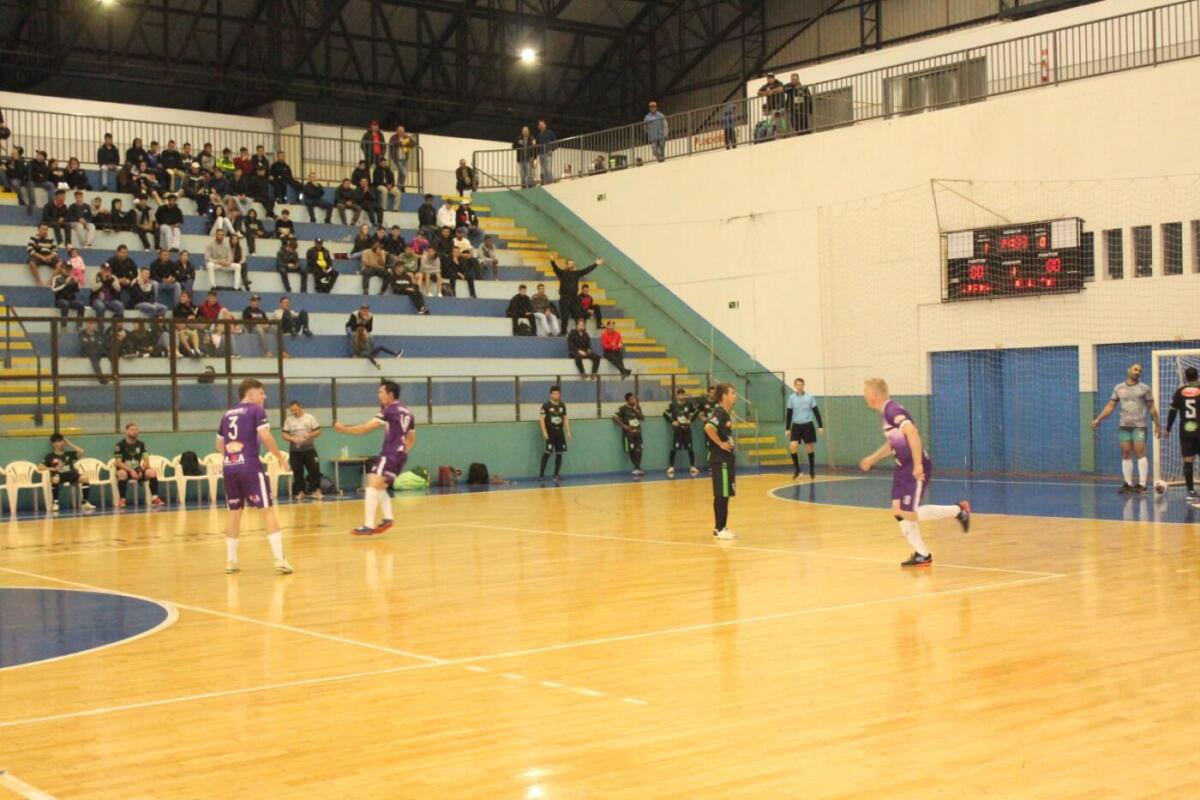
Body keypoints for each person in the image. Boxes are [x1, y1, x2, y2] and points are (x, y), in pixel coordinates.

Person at [859, 378, 971, 567]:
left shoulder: (892, 411)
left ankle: (959, 511)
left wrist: (918, 464)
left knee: (908, 513)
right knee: (898, 510)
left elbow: (912, 432)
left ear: (874, 395)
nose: (864, 395)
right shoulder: (887, 413)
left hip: (913, 466)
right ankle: (922, 554)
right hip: (902, 467)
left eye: (865, 392)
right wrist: (873, 458)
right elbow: (894, 443)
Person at [217, 378, 293, 574]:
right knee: (266, 511)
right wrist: (280, 458)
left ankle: (231, 561)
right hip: (250, 467)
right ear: (250, 394)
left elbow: (219, 444)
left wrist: (232, 458)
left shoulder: (226, 414)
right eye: (261, 392)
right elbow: (266, 436)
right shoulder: (256, 410)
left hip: (230, 468)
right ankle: (280, 560)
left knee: (234, 513)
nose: (264, 396)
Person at [335, 380, 415, 535]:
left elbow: (366, 428)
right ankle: (388, 518)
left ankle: (369, 525)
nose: (379, 395)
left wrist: (344, 429)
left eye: (381, 392)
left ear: (390, 394)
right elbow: (411, 438)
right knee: (378, 485)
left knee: (371, 485)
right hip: (400, 455)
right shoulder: (407, 412)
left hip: (390, 454)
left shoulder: (389, 410)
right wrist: (403, 451)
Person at [1092, 363, 1162, 493]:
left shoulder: (1144, 388)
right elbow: (1110, 406)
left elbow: (1151, 407)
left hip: (1139, 426)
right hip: (1124, 426)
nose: (1137, 372)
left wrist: (1157, 425)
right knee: (1125, 452)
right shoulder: (1118, 388)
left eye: (1139, 370)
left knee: (1140, 452)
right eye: (1135, 369)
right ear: (1129, 370)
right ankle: (1128, 484)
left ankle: (1142, 484)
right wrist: (1098, 419)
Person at [705, 383, 739, 540]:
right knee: (721, 494)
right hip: (720, 459)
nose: (735, 396)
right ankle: (719, 529)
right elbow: (708, 427)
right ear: (724, 396)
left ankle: (721, 526)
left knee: (725, 494)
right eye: (732, 393)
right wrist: (720, 443)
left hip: (726, 459)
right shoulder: (720, 412)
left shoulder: (726, 413)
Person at [1164, 365, 1200, 501]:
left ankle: (1191, 491)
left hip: (1186, 431)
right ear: (1197, 376)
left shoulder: (1179, 391)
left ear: (1185, 377)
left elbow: (1172, 411)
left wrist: (1168, 428)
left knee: (1188, 460)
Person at [39, 434, 95, 513]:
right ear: (53, 444)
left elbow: (81, 451)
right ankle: (55, 503)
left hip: (72, 475)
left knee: (85, 478)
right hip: (60, 477)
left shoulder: (69, 454)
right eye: (57, 442)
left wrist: (69, 444)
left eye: (61, 441)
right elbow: (40, 467)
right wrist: (52, 468)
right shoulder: (50, 456)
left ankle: (85, 502)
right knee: (55, 479)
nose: (59, 444)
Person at [113, 422, 164, 509]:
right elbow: (118, 462)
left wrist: (139, 470)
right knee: (122, 473)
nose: (135, 432)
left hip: (138, 470)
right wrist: (131, 471)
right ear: (126, 431)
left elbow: (146, 461)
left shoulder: (141, 444)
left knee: (151, 472)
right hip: (126, 471)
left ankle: (155, 497)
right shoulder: (119, 445)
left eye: (136, 430)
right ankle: (122, 499)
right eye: (132, 430)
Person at [281, 400, 323, 501]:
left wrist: (309, 435)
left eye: (295, 409)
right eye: (292, 410)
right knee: (297, 471)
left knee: (314, 470)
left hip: (309, 449)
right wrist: (293, 439)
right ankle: (300, 492)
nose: (294, 412)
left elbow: (318, 431)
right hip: (295, 451)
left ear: (300, 407)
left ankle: (316, 491)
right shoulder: (289, 420)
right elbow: (284, 434)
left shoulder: (309, 418)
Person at [551, 256, 602, 334]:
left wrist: (596, 264)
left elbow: (586, 270)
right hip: (565, 298)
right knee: (565, 317)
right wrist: (552, 261)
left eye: (572, 264)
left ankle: (580, 331)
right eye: (569, 264)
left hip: (574, 298)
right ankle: (563, 332)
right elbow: (555, 268)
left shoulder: (576, 273)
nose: (571, 265)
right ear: (566, 265)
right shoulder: (562, 273)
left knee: (578, 315)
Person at [786, 377, 824, 480]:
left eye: (801, 384)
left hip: (808, 425)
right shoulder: (791, 398)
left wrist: (820, 426)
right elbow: (789, 413)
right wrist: (787, 428)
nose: (799, 386)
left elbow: (816, 411)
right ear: (795, 386)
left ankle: (812, 470)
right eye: (797, 385)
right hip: (796, 426)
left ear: (804, 385)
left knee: (809, 448)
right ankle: (797, 470)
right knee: (793, 447)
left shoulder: (810, 397)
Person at [665, 387, 699, 478]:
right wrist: (672, 421)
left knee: (690, 448)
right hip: (678, 430)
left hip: (687, 429)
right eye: (680, 395)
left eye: (683, 394)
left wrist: (690, 420)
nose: (682, 396)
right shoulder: (672, 404)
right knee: (675, 448)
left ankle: (692, 466)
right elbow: (665, 413)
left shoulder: (689, 404)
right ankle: (671, 466)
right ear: (677, 396)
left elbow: (696, 411)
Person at [539, 385, 569, 483]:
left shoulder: (562, 405)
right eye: (554, 393)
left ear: (560, 394)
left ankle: (556, 475)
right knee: (547, 453)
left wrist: (568, 431)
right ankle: (541, 475)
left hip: (560, 433)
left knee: (559, 453)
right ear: (550, 394)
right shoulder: (546, 405)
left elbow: (565, 418)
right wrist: (544, 431)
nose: (556, 395)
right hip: (550, 433)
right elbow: (542, 419)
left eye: (557, 393)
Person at [613, 392, 646, 477]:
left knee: (639, 450)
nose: (633, 400)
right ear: (627, 400)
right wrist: (624, 426)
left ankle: (637, 468)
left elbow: (642, 418)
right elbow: (614, 417)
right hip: (629, 433)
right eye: (631, 399)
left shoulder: (637, 408)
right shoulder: (623, 408)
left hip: (638, 432)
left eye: (634, 398)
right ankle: (637, 468)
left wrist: (636, 410)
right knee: (632, 449)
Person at [27, 221, 60, 286]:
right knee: (31, 263)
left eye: (46, 229)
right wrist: (42, 257)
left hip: (49, 256)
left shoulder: (51, 239)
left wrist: (50, 256)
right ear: (38, 229)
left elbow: (55, 250)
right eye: (43, 229)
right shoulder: (33, 238)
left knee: (61, 265)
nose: (45, 231)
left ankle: (50, 282)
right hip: (38, 256)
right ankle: (38, 281)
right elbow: (30, 250)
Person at [536, 119, 557, 184]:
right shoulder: (538, 135)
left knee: (548, 169)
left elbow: (555, 142)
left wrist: (552, 149)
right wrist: (536, 156)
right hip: (541, 155)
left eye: (542, 124)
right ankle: (546, 182)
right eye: (540, 125)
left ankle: (550, 183)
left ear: (545, 125)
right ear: (538, 127)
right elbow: (537, 146)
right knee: (543, 170)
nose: (541, 126)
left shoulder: (550, 132)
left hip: (548, 154)